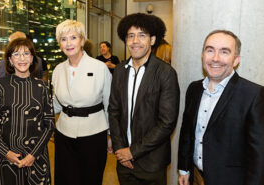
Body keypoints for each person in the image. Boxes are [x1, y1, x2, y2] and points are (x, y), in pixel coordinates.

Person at [178, 30, 264, 185]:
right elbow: (187, 133)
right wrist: (184, 169)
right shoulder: (194, 89)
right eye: (210, 50)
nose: (215, 58)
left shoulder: (254, 94)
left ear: (236, 59)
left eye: (224, 52)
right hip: (196, 176)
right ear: (203, 55)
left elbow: (259, 155)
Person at [108, 13, 180, 185]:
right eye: (130, 36)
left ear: (152, 40)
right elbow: (114, 111)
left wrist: (132, 152)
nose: (135, 41)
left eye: (142, 35)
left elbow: (167, 122)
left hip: (152, 163)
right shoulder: (119, 71)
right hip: (123, 162)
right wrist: (120, 150)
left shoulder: (165, 73)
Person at [52, 19, 112, 185]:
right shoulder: (57, 70)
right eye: (63, 39)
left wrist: (111, 135)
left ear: (82, 40)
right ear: (59, 44)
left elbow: (110, 105)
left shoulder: (100, 68)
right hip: (64, 133)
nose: (68, 43)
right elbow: (56, 103)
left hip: (94, 133)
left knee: (90, 179)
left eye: (73, 37)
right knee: (66, 178)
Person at [0, 38, 54, 185]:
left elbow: (49, 124)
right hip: (6, 157)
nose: (22, 58)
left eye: (26, 53)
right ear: (10, 60)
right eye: (16, 54)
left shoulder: (42, 87)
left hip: (36, 157)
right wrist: (6, 152)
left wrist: (32, 155)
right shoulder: (0, 86)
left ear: (32, 59)